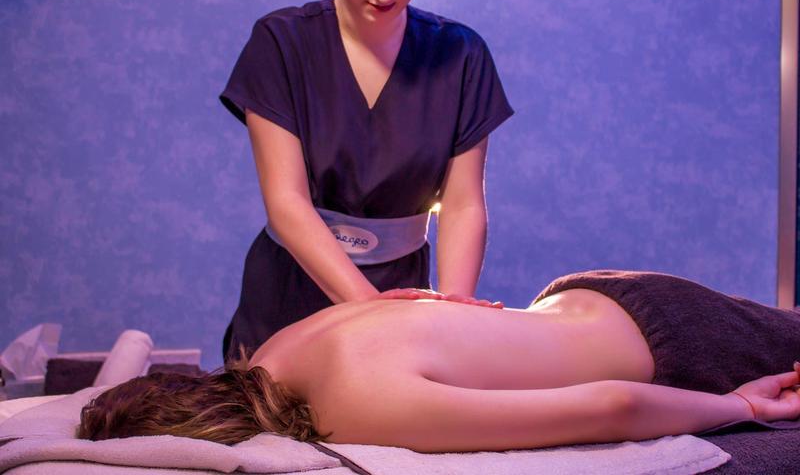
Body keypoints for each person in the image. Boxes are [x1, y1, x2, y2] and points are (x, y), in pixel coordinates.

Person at [218, 0, 514, 364]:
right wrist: (372, 315)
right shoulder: (281, 43)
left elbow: (462, 206)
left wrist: (455, 317)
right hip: (291, 295)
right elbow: (286, 204)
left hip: (401, 295)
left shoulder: (460, 55)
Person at [79, 270, 800, 452]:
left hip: (673, 343)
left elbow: (613, 406)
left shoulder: (347, 411)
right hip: (593, 293)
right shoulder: (271, 351)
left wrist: (741, 407)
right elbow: (410, 299)